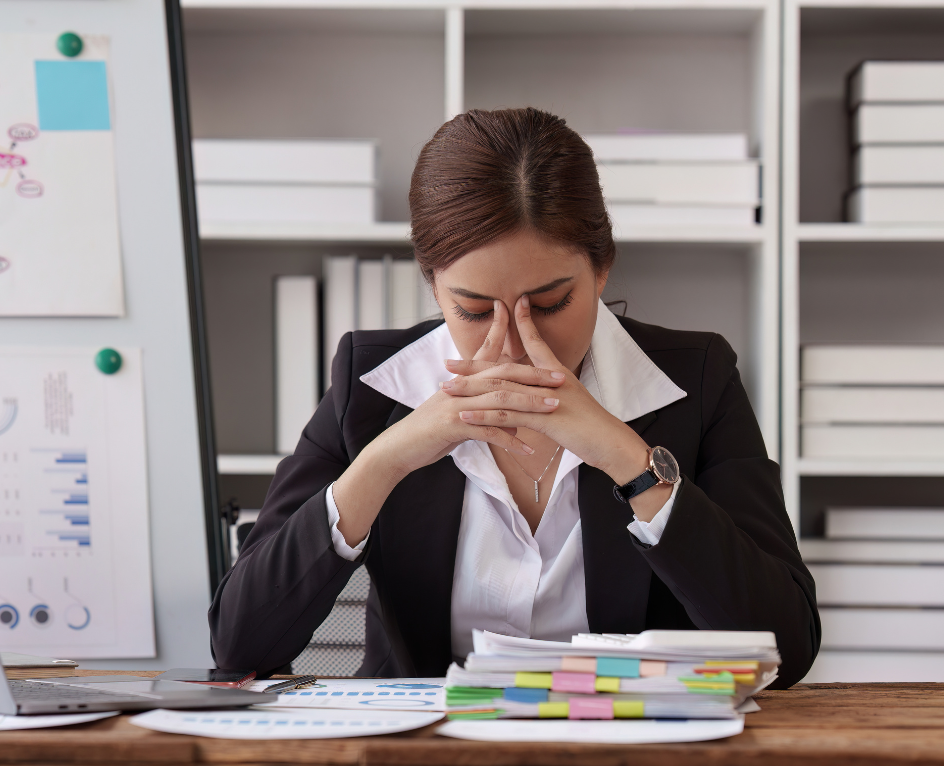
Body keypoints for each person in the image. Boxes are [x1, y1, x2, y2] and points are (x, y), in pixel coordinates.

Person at [209, 107, 820, 686]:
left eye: (550, 304)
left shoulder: (697, 378)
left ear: (602, 267)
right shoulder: (370, 384)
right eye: (472, 311)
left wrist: (630, 462)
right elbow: (240, 646)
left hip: (626, 741)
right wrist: (385, 460)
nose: (513, 344)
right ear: (432, 284)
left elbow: (786, 648)